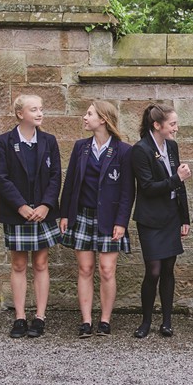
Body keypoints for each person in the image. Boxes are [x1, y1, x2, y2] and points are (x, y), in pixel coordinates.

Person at [59, 101, 135, 338]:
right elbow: (70, 182)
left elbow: (127, 191)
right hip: (82, 215)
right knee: (85, 268)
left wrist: (121, 222)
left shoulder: (124, 151)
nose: (85, 117)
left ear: (103, 119)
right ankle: (86, 321)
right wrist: (64, 214)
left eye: (89, 113)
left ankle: (105, 320)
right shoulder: (80, 147)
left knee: (107, 270)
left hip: (110, 219)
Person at [0, 94, 61, 338]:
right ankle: (20, 317)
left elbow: (55, 176)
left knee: (41, 263)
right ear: (20, 114)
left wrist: (46, 205)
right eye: (34, 109)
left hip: (42, 214)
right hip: (16, 213)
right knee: (19, 264)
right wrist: (20, 206)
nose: (40, 113)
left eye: (41, 109)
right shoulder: (3, 142)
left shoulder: (49, 141)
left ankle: (40, 317)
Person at [130, 103, 191, 338]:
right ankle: (146, 321)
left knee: (168, 269)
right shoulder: (141, 150)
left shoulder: (171, 146)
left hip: (171, 216)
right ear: (157, 125)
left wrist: (184, 217)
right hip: (151, 219)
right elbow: (147, 187)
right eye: (172, 124)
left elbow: (179, 186)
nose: (176, 128)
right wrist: (177, 178)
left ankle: (166, 321)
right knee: (153, 270)